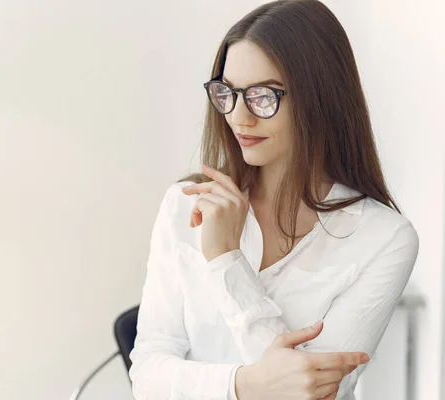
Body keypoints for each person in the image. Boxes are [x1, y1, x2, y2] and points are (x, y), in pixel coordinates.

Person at [127, 0, 420, 399]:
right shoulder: (187, 204)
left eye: (263, 95)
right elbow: (146, 376)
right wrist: (243, 385)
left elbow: (315, 394)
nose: (238, 117)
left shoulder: (384, 238)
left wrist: (226, 260)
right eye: (227, 92)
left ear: (321, 98)